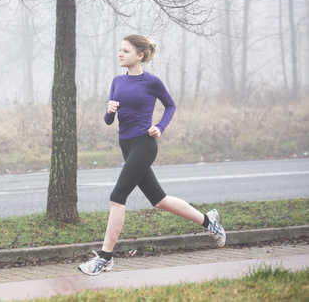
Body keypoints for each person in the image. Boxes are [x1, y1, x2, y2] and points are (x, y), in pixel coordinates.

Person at [78, 34, 226, 276]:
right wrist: (108, 111)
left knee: (117, 198)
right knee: (159, 200)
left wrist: (160, 126)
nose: (120, 54)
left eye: (125, 51)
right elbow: (108, 121)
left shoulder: (152, 82)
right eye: (120, 50)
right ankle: (210, 223)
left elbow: (171, 105)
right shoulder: (116, 81)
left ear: (140, 55)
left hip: (144, 144)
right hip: (126, 145)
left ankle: (105, 258)